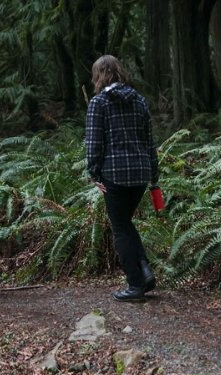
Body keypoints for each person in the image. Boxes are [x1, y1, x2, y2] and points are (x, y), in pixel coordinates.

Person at [84, 55, 158, 303]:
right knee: (125, 223)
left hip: (114, 175)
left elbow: (94, 142)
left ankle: (135, 284)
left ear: (99, 75)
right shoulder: (139, 101)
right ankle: (144, 272)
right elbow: (149, 141)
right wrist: (153, 173)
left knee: (120, 229)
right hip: (140, 173)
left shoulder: (99, 102)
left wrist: (94, 173)